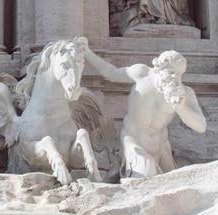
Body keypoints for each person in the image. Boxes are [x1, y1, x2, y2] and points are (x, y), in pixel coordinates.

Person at [83, 45, 206, 178]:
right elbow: (111, 73)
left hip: (160, 147)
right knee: (146, 173)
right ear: (159, 68)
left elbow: (201, 127)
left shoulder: (183, 92)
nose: (174, 79)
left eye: (178, 75)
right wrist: (87, 52)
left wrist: (181, 107)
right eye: (170, 73)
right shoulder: (141, 74)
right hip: (133, 142)